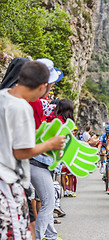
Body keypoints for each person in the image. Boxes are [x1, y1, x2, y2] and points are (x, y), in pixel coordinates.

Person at [0, 61, 65, 240]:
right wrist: (50, 145)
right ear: (42, 86)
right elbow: (21, 152)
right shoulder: (23, 107)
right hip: (8, 183)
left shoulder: (3, 95)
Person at [29, 58, 65, 240]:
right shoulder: (34, 102)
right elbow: (33, 137)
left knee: (42, 201)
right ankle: (40, 236)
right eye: (51, 83)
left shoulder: (33, 100)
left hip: (27, 160)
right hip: (33, 160)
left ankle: (50, 235)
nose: (51, 87)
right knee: (48, 202)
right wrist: (51, 145)